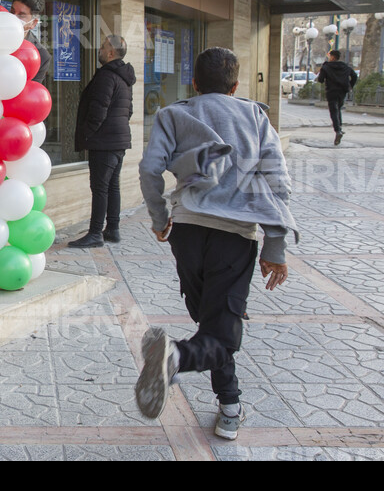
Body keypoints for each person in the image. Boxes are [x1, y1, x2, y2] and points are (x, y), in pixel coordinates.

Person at [136, 47, 297, 440]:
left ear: (193, 83)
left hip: (187, 232)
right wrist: (275, 246)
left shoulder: (173, 114)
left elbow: (148, 168)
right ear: (236, 85)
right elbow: (278, 183)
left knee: (211, 322)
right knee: (222, 335)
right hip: (234, 236)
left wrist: (160, 220)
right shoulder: (255, 116)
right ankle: (176, 357)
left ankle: (230, 405)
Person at [68, 34, 136, 247]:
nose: (99, 49)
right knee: (112, 186)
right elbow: (129, 110)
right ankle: (113, 229)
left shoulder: (107, 76)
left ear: (110, 52)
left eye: (103, 46)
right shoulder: (123, 77)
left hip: (105, 142)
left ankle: (96, 233)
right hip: (119, 140)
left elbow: (99, 109)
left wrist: (88, 133)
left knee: (100, 188)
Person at [316, 49, 357, 145]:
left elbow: (321, 80)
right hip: (342, 91)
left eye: (330, 56)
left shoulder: (326, 67)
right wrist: (350, 85)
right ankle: (340, 128)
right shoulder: (345, 66)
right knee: (338, 109)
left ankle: (337, 130)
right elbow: (354, 76)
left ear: (333, 57)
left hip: (331, 91)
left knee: (333, 111)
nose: (329, 58)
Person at [11, 0, 50, 84]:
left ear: (33, 23)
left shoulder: (41, 56)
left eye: (21, 15)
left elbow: (30, 90)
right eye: (12, 11)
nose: (13, 17)